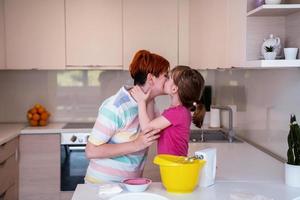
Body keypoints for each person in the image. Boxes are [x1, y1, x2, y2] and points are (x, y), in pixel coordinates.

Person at [85, 50, 170, 183]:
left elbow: (152, 131)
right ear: (151, 79)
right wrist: (136, 144)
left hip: (130, 185)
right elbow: (91, 151)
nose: (169, 79)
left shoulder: (149, 103)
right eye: (166, 75)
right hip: (103, 186)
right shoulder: (117, 106)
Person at [130, 65, 206, 156]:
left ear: (174, 89)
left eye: (169, 78)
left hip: (174, 166)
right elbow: (152, 127)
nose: (165, 79)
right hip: (172, 165)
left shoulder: (178, 113)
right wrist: (150, 97)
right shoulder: (179, 111)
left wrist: (141, 101)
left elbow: (147, 129)